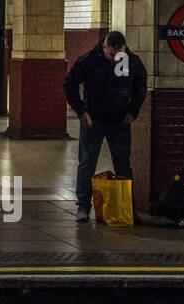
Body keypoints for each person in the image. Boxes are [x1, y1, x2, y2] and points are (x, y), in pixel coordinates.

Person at [63, 31, 148, 223]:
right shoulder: (90, 60)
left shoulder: (131, 61)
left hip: (120, 121)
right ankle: (83, 206)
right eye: (111, 54)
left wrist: (133, 109)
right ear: (104, 47)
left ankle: (128, 208)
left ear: (124, 49)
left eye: (119, 54)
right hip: (93, 120)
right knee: (87, 163)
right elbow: (70, 82)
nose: (115, 58)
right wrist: (81, 111)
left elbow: (141, 84)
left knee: (123, 165)